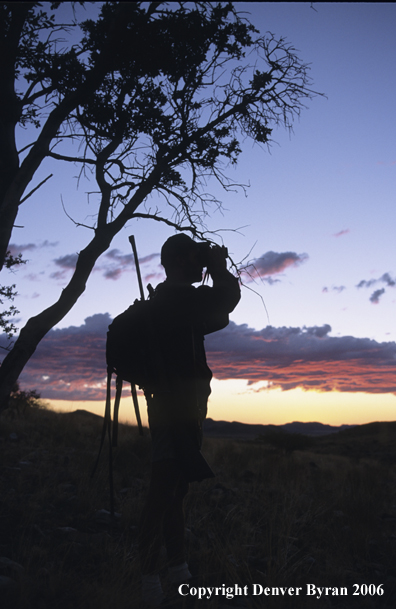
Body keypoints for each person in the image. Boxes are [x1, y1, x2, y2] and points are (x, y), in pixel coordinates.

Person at [138, 234, 240, 607]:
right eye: (195, 258)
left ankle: (178, 568)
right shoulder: (177, 301)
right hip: (173, 408)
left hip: (184, 407)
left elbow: (220, 315)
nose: (200, 263)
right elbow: (226, 299)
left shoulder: (176, 302)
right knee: (162, 491)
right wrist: (218, 268)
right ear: (180, 261)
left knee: (175, 489)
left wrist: (214, 267)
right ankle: (149, 580)